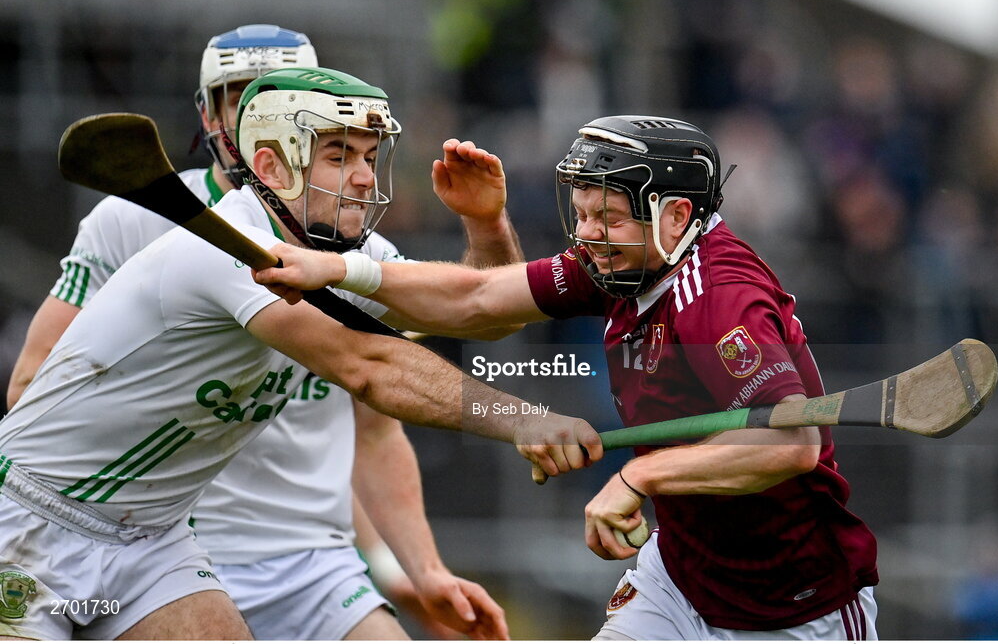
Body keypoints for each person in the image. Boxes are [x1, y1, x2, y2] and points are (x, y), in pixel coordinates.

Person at [0, 66, 601, 641]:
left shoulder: (336, 259)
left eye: (370, 156)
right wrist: (520, 419)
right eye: (339, 157)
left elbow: (479, 312)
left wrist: (487, 226)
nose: (366, 177)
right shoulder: (226, 249)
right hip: (30, 523)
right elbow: (372, 369)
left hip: (152, 540)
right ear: (270, 165)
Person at [255, 115, 882, 640]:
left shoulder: (720, 297)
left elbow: (789, 442)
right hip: (684, 577)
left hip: (796, 604)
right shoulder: (626, 262)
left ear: (675, 215)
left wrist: (638, 475)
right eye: (580, 214)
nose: (585, 235)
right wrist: (339, 271)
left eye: (604, 216)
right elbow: (476, 297)